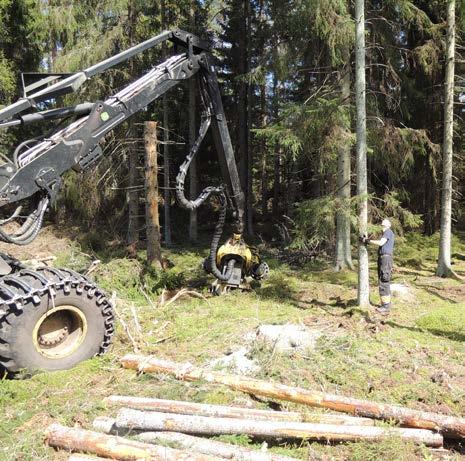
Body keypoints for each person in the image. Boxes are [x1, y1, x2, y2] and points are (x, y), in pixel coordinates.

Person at [361, 219, 395, 315]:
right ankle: (385, 304)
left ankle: (386, 306)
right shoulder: (387, 233)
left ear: (388, 225)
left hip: (385, 259)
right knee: (382, 280)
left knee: (384, 280)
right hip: (383, 258)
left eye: (384, 224)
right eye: (382, 223)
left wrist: (367, 240)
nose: (382, 225)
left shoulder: (388, 232)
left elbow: (381, 243)